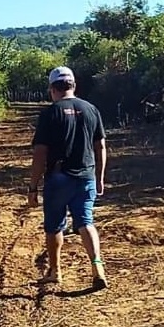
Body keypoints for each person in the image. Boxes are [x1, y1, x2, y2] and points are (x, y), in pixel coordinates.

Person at [27, 66, 107, 290]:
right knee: (86, 221)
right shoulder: (91, 109)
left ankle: (55, 271)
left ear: (52, 89)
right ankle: (97, 265)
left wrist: (33, 187)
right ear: (73, 86)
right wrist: (99, 178)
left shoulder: (49, 113)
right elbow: (100, 146)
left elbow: (40, 153)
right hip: (86, 176)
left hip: (58, 177)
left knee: (54, 227)